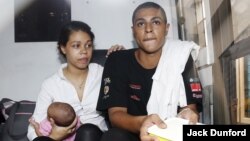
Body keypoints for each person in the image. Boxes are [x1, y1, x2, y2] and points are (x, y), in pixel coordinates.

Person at [97, 2, 202, 141]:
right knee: (113, 137)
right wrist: (144, 123)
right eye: (141, 24)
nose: (148, 29)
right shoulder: (117, 60)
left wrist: (187, 115)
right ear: (133, 30)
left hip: (168, 133)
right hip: (131, 134)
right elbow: (116, 115)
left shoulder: (181, 57)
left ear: (166, 28)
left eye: (156, 22)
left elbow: (190, 108)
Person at [27, 21, 123, 141]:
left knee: (87, 131)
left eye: (88, 45)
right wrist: (54, 136)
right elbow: (33, 130)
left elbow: (126, 90)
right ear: (63, 48)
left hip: (96, 136)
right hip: (61, 138)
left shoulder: (103, 74)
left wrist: (122, 60)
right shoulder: (50, 84)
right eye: (76, 46)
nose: (84, 51)